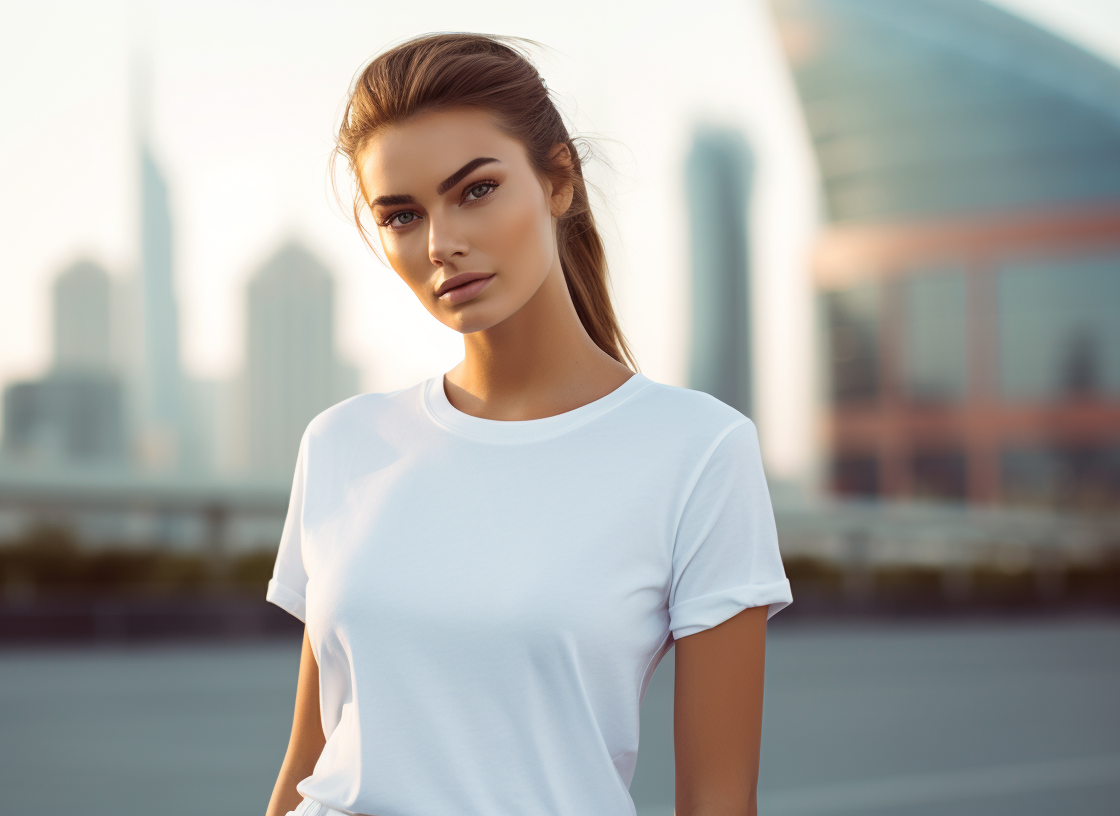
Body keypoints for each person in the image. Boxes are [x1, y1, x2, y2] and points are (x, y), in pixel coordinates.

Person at [264, 32, 792, 816]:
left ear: (559, 181)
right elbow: (312, 755)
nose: (443, 243)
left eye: (475, 190)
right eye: (402, 215)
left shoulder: (699, 451)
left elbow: (717, 797)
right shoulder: (343, 443)